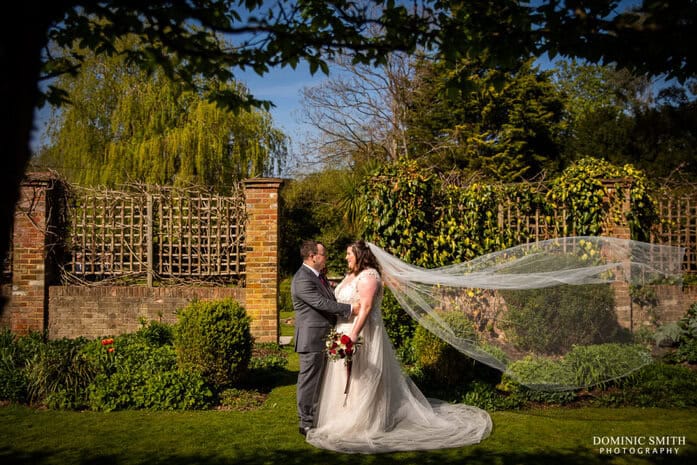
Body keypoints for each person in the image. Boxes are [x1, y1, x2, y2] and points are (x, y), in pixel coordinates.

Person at [306, 240, 492, 453]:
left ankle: (363, 421)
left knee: (363, 377)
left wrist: (352, 336)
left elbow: (366, 308)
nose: (346, 257)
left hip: (362, 334)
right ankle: (341, 416)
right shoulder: (352, 275)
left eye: (349, 253)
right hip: (344, 330)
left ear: (360, 254)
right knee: (345, 377)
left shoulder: (369, 276)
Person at [291, 240, 357, 437]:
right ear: (313, 256)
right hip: (311, 338)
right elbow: (321, 302)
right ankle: (305, 422)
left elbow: (329, 298)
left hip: (324, 336)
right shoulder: (303, 278)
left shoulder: (318, 277)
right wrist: (351, 309)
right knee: (309, 381)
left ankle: (317, 416)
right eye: (323, 254)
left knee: (321, 381)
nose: (325, 257)